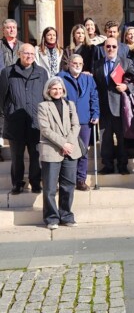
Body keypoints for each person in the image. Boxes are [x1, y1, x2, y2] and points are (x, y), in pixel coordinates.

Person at [0, 43, 49, 194]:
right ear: (19, 54)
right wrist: (8, 112)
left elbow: (46, 96)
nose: (29, 56)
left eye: (32, 54)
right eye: (26, 53)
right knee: (16, 155)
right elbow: (2, 97)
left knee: (35, 155)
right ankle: (17, 183)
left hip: (35, 121)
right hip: (15, 122)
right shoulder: (8, 72)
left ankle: (35, 182)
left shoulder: (42, 72)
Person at [38, 77, 82, 230]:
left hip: (70, 151)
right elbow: (45, 129)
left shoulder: (70, 105)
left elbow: (76, 125)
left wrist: (69, 143)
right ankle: (51, 218)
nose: (57, 91)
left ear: (63, 90)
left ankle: (66, 216)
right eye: (53, 88)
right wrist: (63, 143)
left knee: (68, 185)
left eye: (59, 88)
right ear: (48, 90)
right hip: (52, 150)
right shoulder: (43, 106)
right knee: (50, 187)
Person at [93, 37, 134, 175]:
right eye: (108, 47)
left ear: (118, 48)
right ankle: (107, 165)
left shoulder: (125, 63)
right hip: (103, 107)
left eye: (113, 46)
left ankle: (122, 165)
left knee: (121, 138)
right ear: (104, 48)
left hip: (120, 107)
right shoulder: (97, 64)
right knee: (105, 138)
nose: (110, 49)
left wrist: (126, 86)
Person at [58, 54, 100, 191]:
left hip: (84, 120)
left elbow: (94, 97)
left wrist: (95, 114)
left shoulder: (88, 79)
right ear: (69, 64)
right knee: (65, 151)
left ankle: (80, 180)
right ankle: (64, 179)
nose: (77, 66)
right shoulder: (60, 77)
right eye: (74, 63)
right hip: (66, 121)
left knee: (82, 151)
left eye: (80, 64)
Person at [0, 19, 25, 160]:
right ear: (3, 30)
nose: (11, 30)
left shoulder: (22, 46)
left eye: (13, 27)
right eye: (8, 28)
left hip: (17, 84)